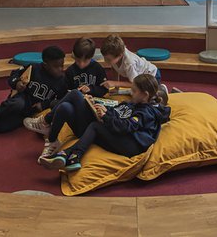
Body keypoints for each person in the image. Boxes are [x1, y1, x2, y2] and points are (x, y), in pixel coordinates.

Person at [38, 73, 170, 171]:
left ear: (145, 95)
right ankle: (61, 150)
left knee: (89, 116)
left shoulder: (147, 113)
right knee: (66, 107)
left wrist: (106, 117)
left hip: (130, 144)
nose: (131, 92)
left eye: (134, 91)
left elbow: (126, 127)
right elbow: (117, 113)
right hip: (116, 133)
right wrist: (99, 107)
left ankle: (72, 154)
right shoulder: (133, 103)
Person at [0, 45, 67, 139]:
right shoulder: (33, 68)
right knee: (18, 103)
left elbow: (61, 100)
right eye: (56, 66)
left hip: (30, 112)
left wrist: (45, 104)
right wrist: (17, 83)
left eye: (62, 65)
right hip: (20, 100)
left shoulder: (62, 81)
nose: (61, 69)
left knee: (1, 127)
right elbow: (14, 75)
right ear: (45, 65)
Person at [23, 37, 109, 141]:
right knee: (62, 103)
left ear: (91, 57)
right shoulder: (70, 71)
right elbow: (64, 94)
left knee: (73, 95)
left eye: (85, 61)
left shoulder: (98, 68)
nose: (81, 64)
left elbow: (104, 90)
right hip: (77, 108)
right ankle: (51, 137)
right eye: (78, 60)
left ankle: (45, 121)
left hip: (93, 108)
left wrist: (91, 89)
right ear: (73, 55)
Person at [99, 34, 166, 93]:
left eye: (108, 59)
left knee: (145, 98)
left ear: (120, 55)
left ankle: (161, 89)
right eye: (104, 58)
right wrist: (116, 88)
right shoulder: (115, 56)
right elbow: (114, 69)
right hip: (139, 78)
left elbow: (135, 83)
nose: (105, 61)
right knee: (136, 93)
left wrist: (115, 83)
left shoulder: (129, 63)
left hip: (152, 75)